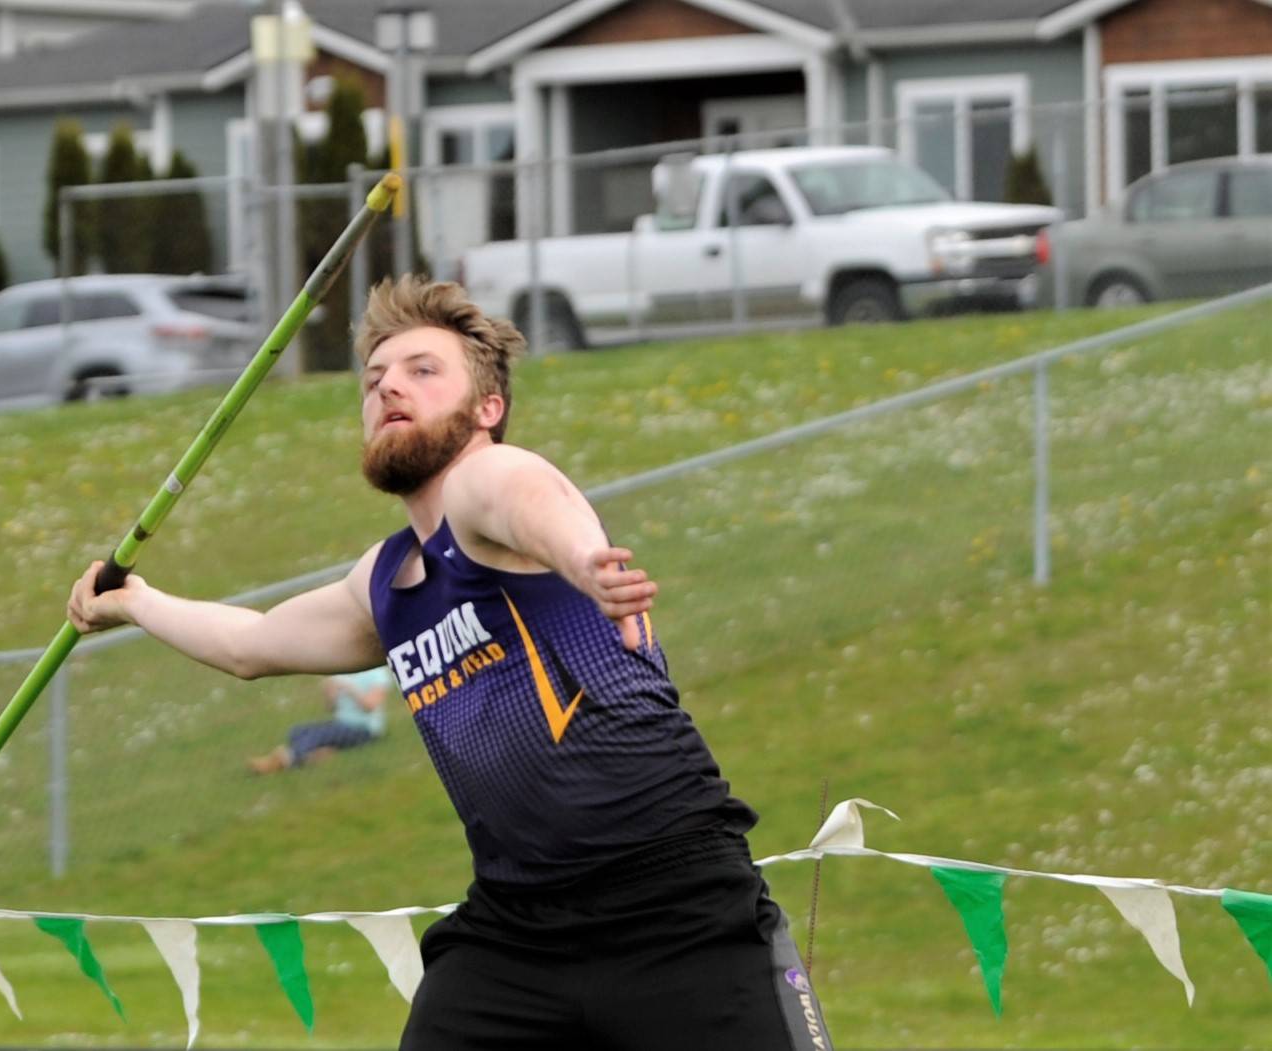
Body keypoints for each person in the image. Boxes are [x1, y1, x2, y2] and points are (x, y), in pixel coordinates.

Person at [67, 276, 834, 1051]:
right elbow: (252, 643)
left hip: (679, 910)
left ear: (488, 408)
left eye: (422, 370)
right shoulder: (383, 584)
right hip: (516, 936)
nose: (388, 386)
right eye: (373, 381)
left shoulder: (482, 485)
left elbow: (527, 496)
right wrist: (134, 600)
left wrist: (584, 558)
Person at [246, 665, 391, 774]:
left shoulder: (377, 673)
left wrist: (349, 688)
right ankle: (315, 755)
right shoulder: (343, 671)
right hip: (341, 723)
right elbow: (331, 708)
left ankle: (282, 760)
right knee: (297, 731)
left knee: (318, 736)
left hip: (365, 730)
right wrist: (330, 693)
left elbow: (370, 705)